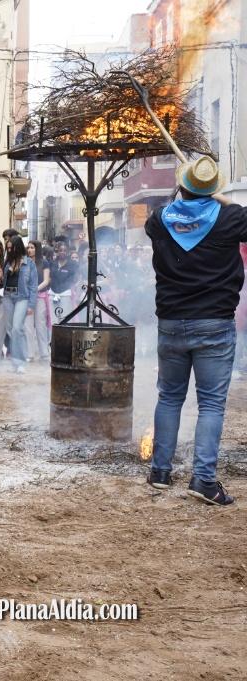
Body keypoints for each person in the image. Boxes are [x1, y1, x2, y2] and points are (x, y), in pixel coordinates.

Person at [145, 156, 243, 505]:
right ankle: (203, 480)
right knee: (211, 404)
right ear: (212, 190)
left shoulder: (159, 219)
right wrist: (218, 196)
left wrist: (195, 194)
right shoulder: (230, 218)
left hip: (172, 323)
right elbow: (237, 212)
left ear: (182, 187)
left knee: (169, 397)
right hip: (214, 322)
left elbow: (171, 213)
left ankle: (160, 471)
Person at [0, 235, 38, 373]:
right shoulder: (7, 262)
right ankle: (15, 362)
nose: (9, 250)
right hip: (7, 297)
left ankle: (20, 361)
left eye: (11, 248)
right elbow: (2, 282)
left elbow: (33, 286)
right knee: (10, 330)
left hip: (22, 297)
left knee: (17, 328)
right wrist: (1, 276)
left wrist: (31, 305)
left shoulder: (29, 263)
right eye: (8, 248)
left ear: (18, 247)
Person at [24, 240, 51, 361]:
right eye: (28, 247)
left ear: (37, 249)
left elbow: (46, 281)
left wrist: (34, 290)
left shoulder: (44, 262)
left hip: (40, 297)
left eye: (32, 247)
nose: (29, 250)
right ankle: (29, 353)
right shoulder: (24, 262)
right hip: (27, 297)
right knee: (27, 326)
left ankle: (44, 352)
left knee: (41, 325)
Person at [50, 238, 77, 321]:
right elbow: (50, 277)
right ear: (57, 251)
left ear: (68, 252)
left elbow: (72, 280)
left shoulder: (72, 264)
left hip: (65, 294)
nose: (62, 252)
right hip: (52, 294)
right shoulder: (52, 263)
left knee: (64, 319)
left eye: (65, 250)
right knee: (53, 320)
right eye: (60, 250)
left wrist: (60, 290)